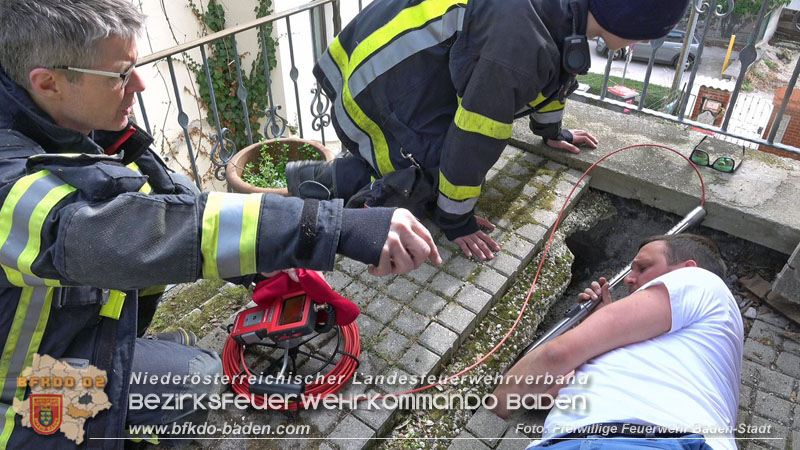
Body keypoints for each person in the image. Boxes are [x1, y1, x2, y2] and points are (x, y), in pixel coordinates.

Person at [0, 0, 441, 447]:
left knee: (178, 357)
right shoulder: (9, 183)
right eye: (120, 75)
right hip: (22, 392)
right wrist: (332, 227)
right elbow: (128, 232)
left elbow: (172, 202)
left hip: (67, 336)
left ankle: (139, 353)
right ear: (49, 82)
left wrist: (256, 263)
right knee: (200, 376)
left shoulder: (71, 121)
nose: (141, 83)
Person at [286, 0, 691, 261]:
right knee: (418, 177)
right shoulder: (517, 42)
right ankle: (317, 196)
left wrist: (551, 131)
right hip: (380, 88)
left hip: (391, 63)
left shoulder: (562, 12)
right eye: (645, 32)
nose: (641, 43)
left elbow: (556, 68)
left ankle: (301, 179)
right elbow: (476, 135)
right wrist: (456, 219)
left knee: (438, 163)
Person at [491, 234, 743, 450]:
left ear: (687, 268)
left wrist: (488, 411)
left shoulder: (700, 281)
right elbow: (546, 395)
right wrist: (598, 332)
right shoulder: (687, 351)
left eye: (643, 268)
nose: (628, 279)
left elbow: (555, 355)